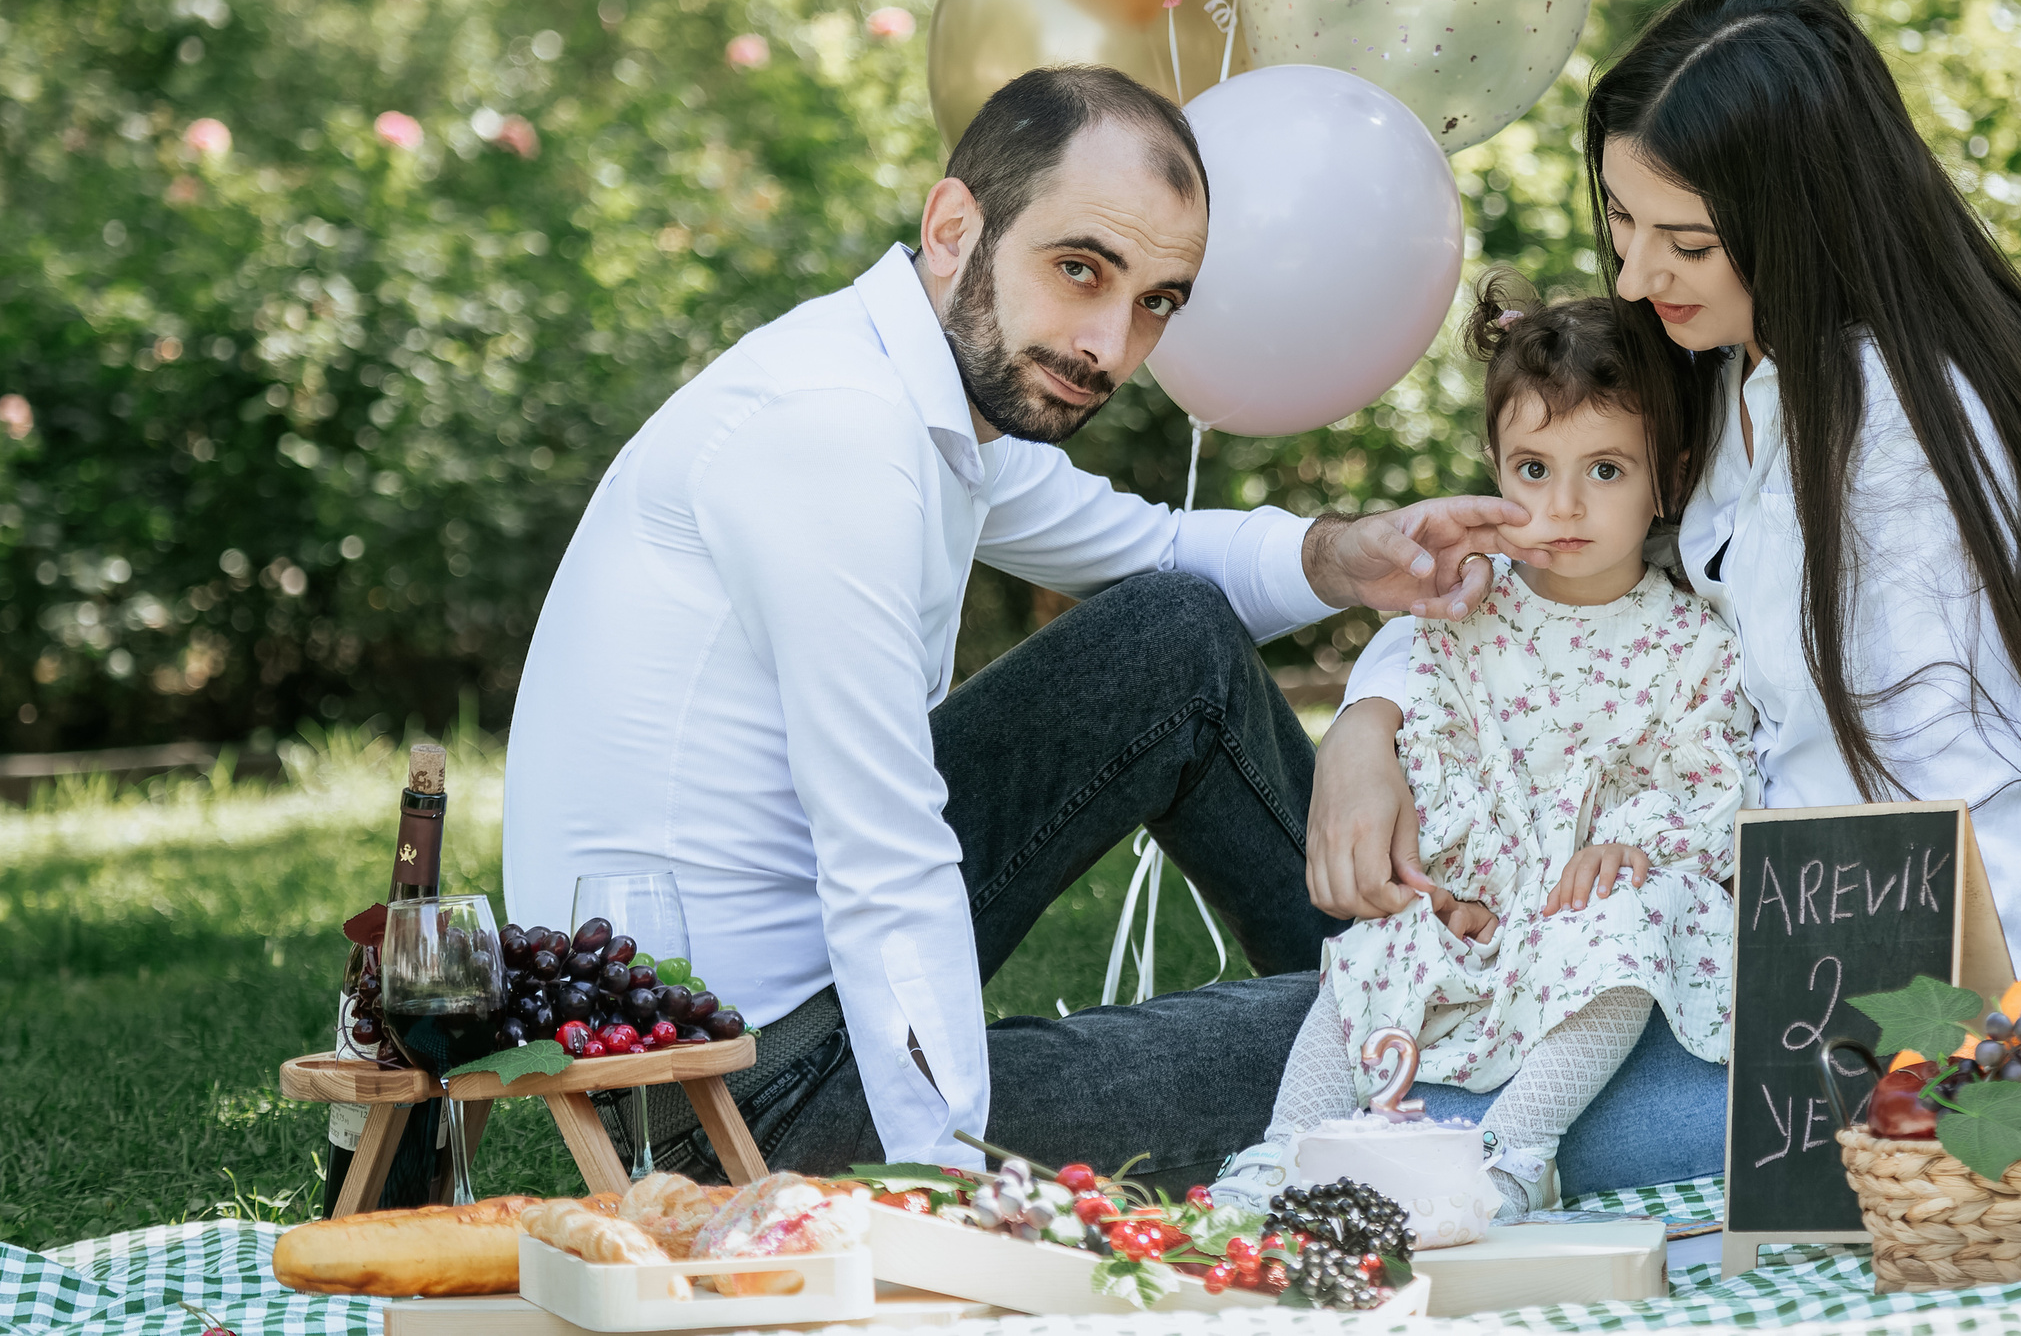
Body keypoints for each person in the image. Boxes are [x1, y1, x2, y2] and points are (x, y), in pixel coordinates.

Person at [500, 64, 1534, 1187]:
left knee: (1172, 639)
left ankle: (1428, 989)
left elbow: (1154, 553)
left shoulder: (916, 386)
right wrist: (939, 1190)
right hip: (728, 1100)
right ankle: (1475, 1029)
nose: (1108, 346)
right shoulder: (831, 436)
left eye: (1156, 301)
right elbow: (883, 855)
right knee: (1390, 1032)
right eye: (1079, 268)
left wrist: (1342, 555)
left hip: (784, 1003)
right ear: (954, 227)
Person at [1317, 0, 2021, 1124]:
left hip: (1850, 1011)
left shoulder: (1903, 436)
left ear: (1805, 217)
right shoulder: (1725, 360)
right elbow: (1566, 590)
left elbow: (1963, 823)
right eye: (1621, 220)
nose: (1636, 277)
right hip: (1638, 921)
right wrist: (1370, 715)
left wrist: (1962, 1096)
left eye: (1685, 241)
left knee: (1339, 1075)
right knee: (1338, 992)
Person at [1212, 274, 1755, 1217]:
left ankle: (1514, 1149)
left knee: (1629, 925)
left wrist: (1633, 844)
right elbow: (1441, 756)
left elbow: (1710, 780)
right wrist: (1450, 887)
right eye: (1534, 469)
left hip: (1593, 903)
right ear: (1498, 469)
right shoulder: (1467, 617)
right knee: (1373, 950)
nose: (1564, 506)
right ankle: (1285, 1151)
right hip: (1485, 902)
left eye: (1607, 470)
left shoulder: (1692, 639)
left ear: (1667, 474)